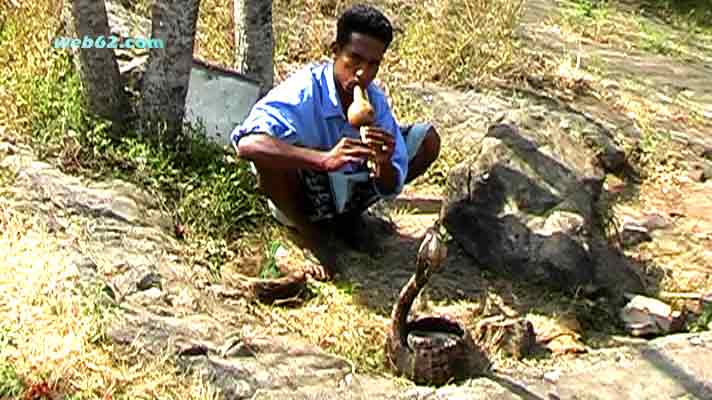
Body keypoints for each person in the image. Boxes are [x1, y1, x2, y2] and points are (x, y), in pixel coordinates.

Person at [231, 4, 440, 275]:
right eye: (354, 59)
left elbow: (390, 184)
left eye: (373, 64)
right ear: (335, 51)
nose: (363, 73)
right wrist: (323, 159)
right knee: (268, 160)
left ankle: (347, 222)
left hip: (347, 190)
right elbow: (247, 145)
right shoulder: (305, 90)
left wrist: (384, 163)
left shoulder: (374, 101)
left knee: (428, 141)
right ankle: (312, 234)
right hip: (306, 194)